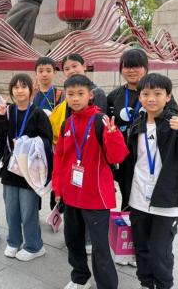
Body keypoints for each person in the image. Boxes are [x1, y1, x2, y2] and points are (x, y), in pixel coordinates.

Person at [127, 73, 178, 289]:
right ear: (139, 97)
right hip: (139, 198)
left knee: (160, 251)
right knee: (141, 248)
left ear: (168, 97)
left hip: (167, 201)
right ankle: (146, 283)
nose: (151, 99)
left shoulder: (175, 124)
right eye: (146, 94)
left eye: (157, 94)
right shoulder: (137, 125)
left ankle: (164, 285)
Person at [53, 74, 128, 289]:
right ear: (66, 96)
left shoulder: (100, 120)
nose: (75, 98)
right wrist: (58, 189)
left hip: (96, 196)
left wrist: (113, 135)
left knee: (100, 247)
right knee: (73, 241)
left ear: (90, 95)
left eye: (80, 93)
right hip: (71, 194)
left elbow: (117, 157)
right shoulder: (67, 123)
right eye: (71, 94)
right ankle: (80, 278)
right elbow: (60, 158)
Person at [107, 49, 178, 214]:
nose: (131, 71)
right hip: (125, 157)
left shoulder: (158, 94)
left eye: (136, 66)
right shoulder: (114, 96)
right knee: (127, 195)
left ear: (146, 68)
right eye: (127, 66)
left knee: (150, 194)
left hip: (149, 154)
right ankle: (128, 227)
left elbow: (173, 118)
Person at [49, 53, 108, 253]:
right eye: (67, 68)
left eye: (75, 66)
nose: (71, 70)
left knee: (88, 202)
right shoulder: (68, 93)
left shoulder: (95, 92)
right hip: (73, 154)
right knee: (74, 200)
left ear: (84, 66)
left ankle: (89, 240)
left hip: (89, 156)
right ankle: (77, 238)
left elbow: (97, 122)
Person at [0, 73, 53, 261]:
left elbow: (47, 140)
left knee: (28, 210)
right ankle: (14, 242)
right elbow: (0, 137)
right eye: (16, 87)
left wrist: (28, 143)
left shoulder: (38, 113)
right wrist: (1, 118)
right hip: (10, 168)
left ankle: (34, 246)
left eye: (23, 87)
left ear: (30, 89)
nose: (19, 91)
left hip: (29, 170)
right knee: (11, 209)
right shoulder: (8, 111)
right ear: (11, 90)